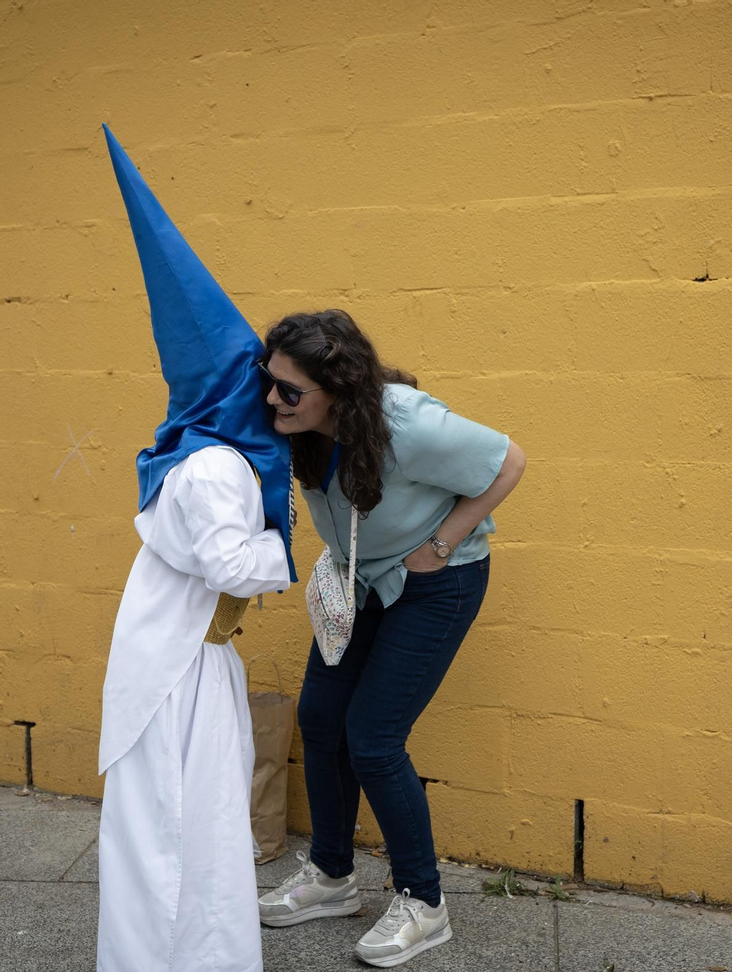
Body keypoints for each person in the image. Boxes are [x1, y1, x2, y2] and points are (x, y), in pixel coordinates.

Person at [254, 309, 526, 968]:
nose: (272, 400)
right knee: (321, 719)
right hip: (363, 582)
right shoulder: (302, 426)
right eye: (270, 384)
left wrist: (442, 544)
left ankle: (423, 904)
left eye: (289, 390)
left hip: (438, 582)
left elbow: (508, 462)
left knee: (372, 739)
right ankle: (331, 878)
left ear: (337, 389)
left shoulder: (406, 423)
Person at [95, 125, 296, 972]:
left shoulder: (199, 451)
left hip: (187, 659)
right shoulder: (215, 465)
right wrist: (290, 557)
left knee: (195, 820)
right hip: (179, 671)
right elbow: (227, 563)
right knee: (183, 824)